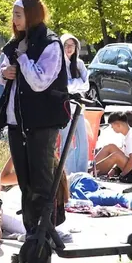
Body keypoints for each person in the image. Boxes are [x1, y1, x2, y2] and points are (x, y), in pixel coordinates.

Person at [0, 0, 69, 236]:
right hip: (17, 122)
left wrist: (23, 58)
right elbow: (2, 72)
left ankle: (45, 235)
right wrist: (5, 72)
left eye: (19, 14)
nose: (14, 20)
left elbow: (39, 81)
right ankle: (32, 235)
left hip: (42, 122)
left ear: (31, 15)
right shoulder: (16, 42)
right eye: (13, 15)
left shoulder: (50, 43)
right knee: (25, 183)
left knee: (41, 181)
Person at [59, 34, 90, 175]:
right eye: (66, 45)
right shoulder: (58, 63)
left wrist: (75, 84)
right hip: (64, 107)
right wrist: (77, 83)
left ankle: (81, 172)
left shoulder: (79, 63)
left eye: (72, 45)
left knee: (83, 141)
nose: (69, 48)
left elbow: (86, 85)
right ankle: (69, 173)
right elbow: (64, 86)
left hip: (79, 107)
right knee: (67, 142)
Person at [94, 111, 132, 181]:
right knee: (111, 147)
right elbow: (124, 156)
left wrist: (122, 175)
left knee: (116, 155)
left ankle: (92, 171)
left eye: (112, 126)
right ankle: (92, 167)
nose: (112, 128)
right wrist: (114, 170)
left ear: (118, 125)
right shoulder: (127, 135)